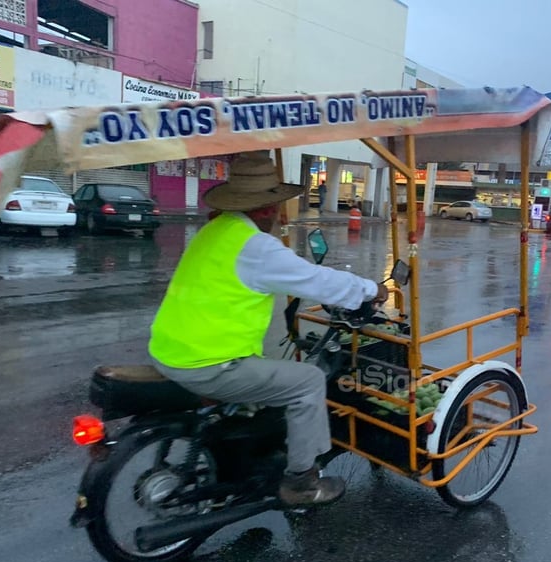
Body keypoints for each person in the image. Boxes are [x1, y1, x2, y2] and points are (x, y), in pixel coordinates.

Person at [148, 151, 388, 507]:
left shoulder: (216, 230)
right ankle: (302, 485)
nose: (277, 213)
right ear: (266, 209)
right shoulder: (256, 247)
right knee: (307, 381)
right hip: (208, 363)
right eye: (275, 206)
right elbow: (315, 279)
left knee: (270, 373)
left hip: (169, 351)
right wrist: (371, 290)